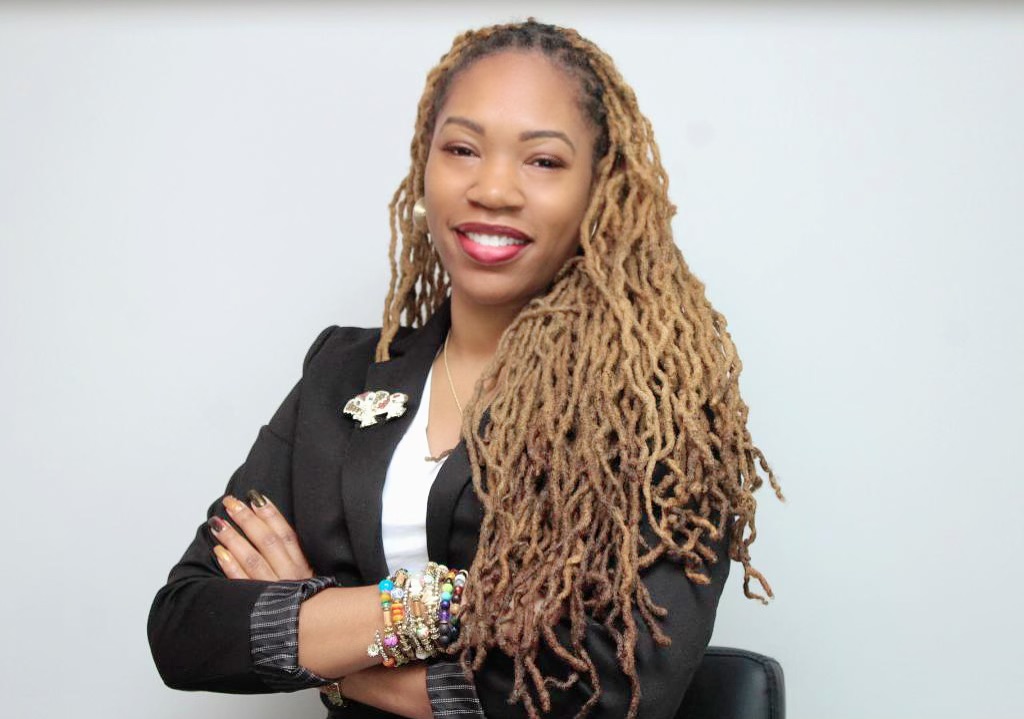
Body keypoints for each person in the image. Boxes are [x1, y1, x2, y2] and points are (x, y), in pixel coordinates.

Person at [148, 19, 782, 719]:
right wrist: (455, 606)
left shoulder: (657, 409)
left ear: (600, 191)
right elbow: (186, 628)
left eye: (543, 161)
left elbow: (614, 694)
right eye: (462, 149)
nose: (494, 188)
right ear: (425, 168)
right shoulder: (342, 374)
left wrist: (325, 636)